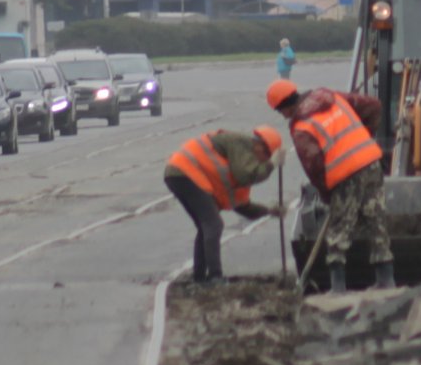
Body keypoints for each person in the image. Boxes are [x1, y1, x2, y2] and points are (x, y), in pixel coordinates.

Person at [268, 77, 394, 292]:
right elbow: (373, 106)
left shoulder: (301, 127)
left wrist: (326, 194)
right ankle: (386, 280)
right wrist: (364, 137)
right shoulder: (331, 97)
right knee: (376, 221)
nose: (284, 116)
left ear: (284, 108)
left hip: (345, 175)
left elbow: (314, 166)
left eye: (281, 112)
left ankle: (338, 287)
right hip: (371, 162)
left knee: (339, 229)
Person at [164, 126, 282, 285]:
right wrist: (271, 166)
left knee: (206, 226)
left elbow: (244, 207)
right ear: (260, 146)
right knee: (213, 224)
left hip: (179, 174)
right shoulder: (241, 145)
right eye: (266, 157)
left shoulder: (240, 166)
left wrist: (269, 211)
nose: (263, 162)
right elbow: (246, 174)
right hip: (185, 172)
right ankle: (215, 277)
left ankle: (200, 277)